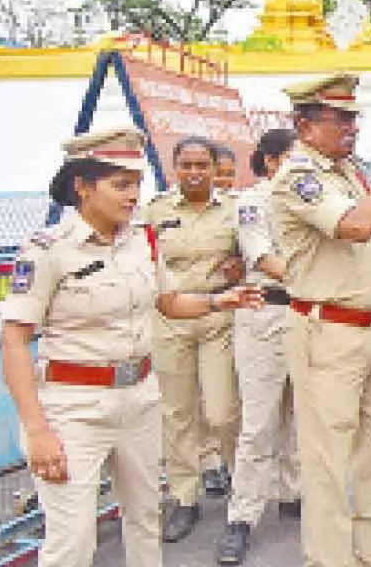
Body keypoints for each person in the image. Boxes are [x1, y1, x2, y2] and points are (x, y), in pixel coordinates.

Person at [1, 127, 262, 567]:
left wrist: (219, 300)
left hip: (139, 400)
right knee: (72, 542)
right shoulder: (47, 251)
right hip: (73, 408)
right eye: (120, 184)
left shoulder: (143, 238)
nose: (132, 196)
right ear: (81, 186)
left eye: (137, 184)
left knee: (144, 523)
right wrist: (38, 431)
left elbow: (169, 301)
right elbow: (14, 343)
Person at [269, 72, 371, 567]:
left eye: (352, 116)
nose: (351, 126)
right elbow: (359, 225)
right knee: (326, 464)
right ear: (304, 125)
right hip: (328, 332)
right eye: (338, 118)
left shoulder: (349, 171)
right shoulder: (298, 177)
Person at [144, 135, 244, 542]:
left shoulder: (235, 210)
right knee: (178, 413)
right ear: (175, 168)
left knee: (223, 412)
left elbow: (254, 252)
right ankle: (184, 499)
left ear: (213, 167)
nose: (194, 172)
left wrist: (242, 268)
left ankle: (242, 488)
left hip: (219, 317)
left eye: (202, 164)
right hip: (169, 320)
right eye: (186, 165)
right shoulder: (155, 211)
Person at [217, 128, 303, 565]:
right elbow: (261, 255)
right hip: (265, 310)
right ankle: (242, 517)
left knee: (303, 415)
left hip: (309, 314)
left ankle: (293, 492)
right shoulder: (254, 200)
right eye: (291, 156)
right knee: (259, 420)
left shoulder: (311, 195)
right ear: (270, 162)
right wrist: (322, 281)